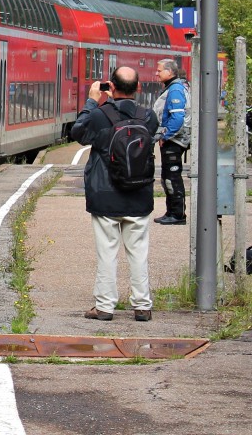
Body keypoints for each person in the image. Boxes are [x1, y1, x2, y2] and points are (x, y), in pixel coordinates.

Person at [70, 66, 157, 322]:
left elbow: (77, 132)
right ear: (139, 88)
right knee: (138, 253)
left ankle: (105, 307)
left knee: (107, 254)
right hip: (139, 194)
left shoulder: (99, 116)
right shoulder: (148, 117)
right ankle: (142, 306)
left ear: (111, 87)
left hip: (105, 196)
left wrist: (91, 101)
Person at [152, 58, 191, 225]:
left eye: (159, 70)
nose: (157, 73)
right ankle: (172, 212)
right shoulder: (175, 87)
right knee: (168, 176)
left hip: (175, 141)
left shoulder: (175, 90)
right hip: (175, 139)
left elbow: (177, 118)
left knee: (172, 177)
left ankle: (177, 215)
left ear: (170, 72)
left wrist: (164, 136)